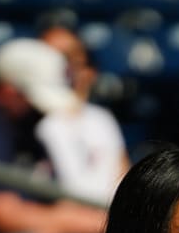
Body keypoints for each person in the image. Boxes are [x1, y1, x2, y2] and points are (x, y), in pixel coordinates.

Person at [0, 38, 106, 233]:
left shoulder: (32, 128)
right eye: (36, 103)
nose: (42, 112)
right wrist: (99, 226)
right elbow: (5, 217)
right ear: (7, 93)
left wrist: (58, 224)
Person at [38, 26, 131, 206]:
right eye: (54, 56)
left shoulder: (102, 119)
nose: (66, 67)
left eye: (72, 57)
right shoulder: (35, 120)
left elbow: (124, 179)